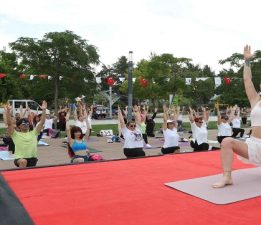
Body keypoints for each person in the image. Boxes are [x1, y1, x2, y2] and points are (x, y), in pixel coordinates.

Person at [213, 45, 261, 188]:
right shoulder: (256, 101)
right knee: (227, 141)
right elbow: (247, 80)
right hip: (253, 145)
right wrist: (246, 61)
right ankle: (227, 177)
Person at [4, 101, 47, 168]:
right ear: (19, 126)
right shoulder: (15, 134)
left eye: (27, 124)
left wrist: (44, 110)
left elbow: (42, 122)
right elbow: (9, 124)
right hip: (20, 159)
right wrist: (8, 111)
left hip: (33, 159)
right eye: (23, 124)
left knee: (30, 175)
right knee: (23, 162)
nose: (26, 125)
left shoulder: (34, 133)